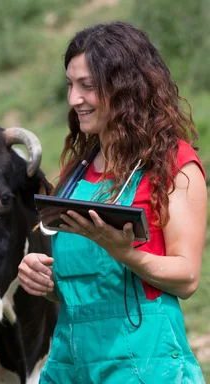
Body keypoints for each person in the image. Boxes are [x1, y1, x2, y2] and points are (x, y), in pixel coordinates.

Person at [18, 21, 207, 383]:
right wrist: (47, 278)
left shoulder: (172, 165)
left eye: (87, 86)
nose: (74, 99)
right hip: (70, 360)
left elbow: (187, 277)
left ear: (125, 88)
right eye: (71, 85)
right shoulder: (76, 174)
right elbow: (88, 286)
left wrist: (126, 254)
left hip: (144, 360)